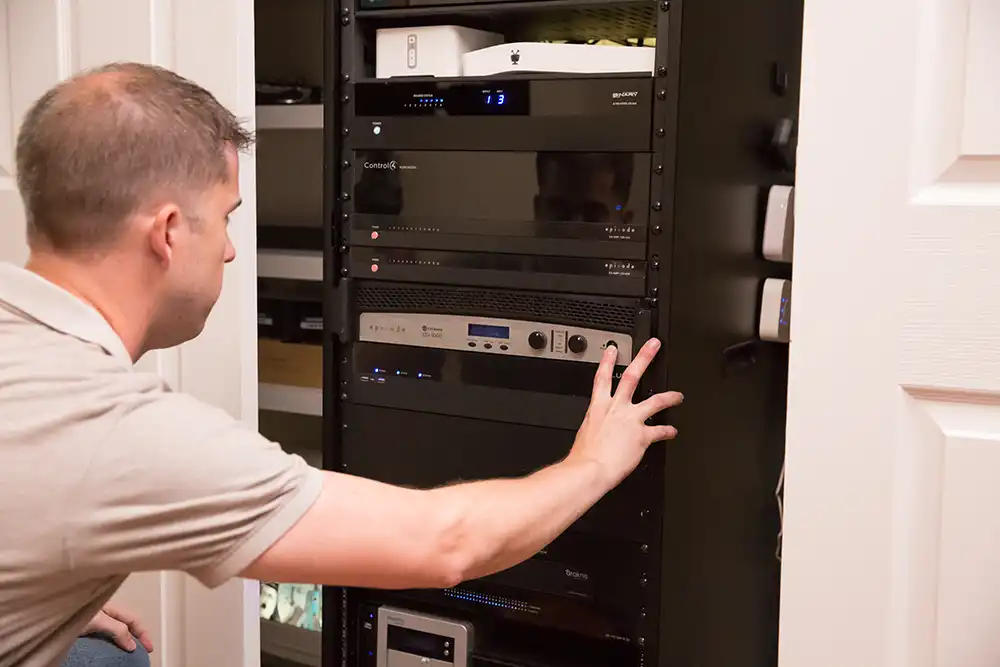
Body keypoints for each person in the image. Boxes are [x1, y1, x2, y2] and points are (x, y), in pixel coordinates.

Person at [0, 62, 684, 667]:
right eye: (227, 218)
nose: (233, 251)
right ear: (170, 232)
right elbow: (449, 544)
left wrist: (35, 600)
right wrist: (594, 461)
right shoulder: (116, 432)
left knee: (101, 652)